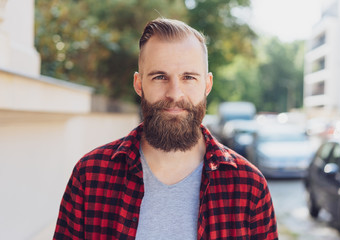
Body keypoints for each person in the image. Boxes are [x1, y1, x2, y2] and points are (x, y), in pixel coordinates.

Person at [53, 18, 278, 240]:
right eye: (160, 77)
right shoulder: (90, 176)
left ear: (207, 85)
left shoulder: (249, 187)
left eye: (189, 77)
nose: (175, 94)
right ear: (139, 84)